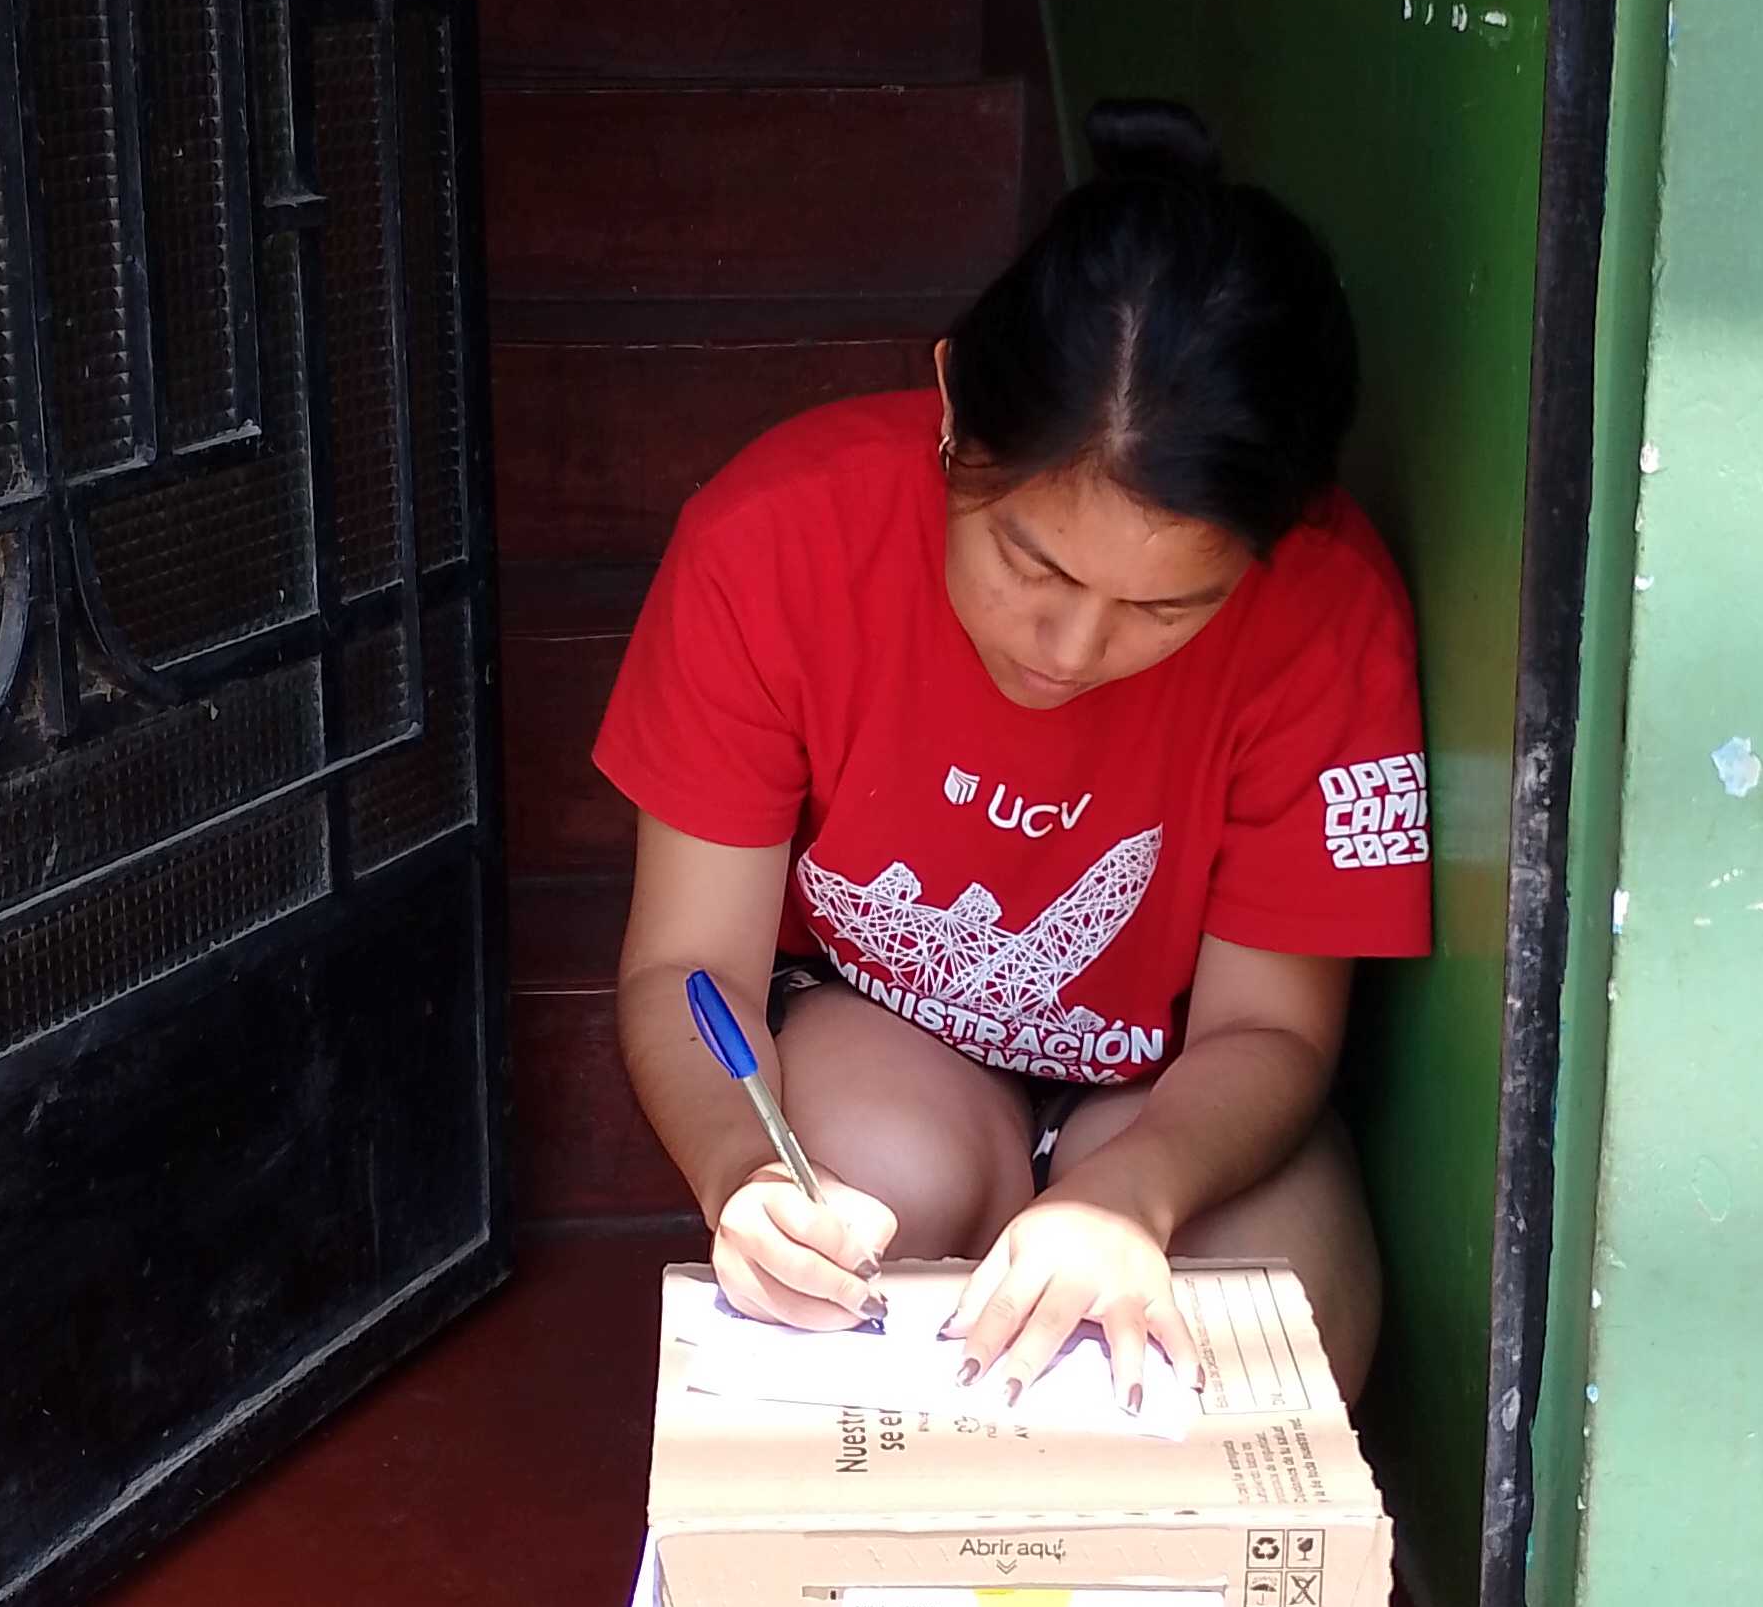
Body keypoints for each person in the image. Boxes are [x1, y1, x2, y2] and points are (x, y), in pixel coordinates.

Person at [593, 105, 1430, 1412]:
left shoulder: (1327, 612)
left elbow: (1268, 1029)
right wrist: (739, 1177)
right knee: (873, 1184)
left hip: (1179, 1086)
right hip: (881, 1036)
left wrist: (1132, 1192)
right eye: (1031, 564)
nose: (1073, 647)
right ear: (950, 411)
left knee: (1270, 1334)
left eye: (1168, 608)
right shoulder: (778, 539)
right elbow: (689, 965)